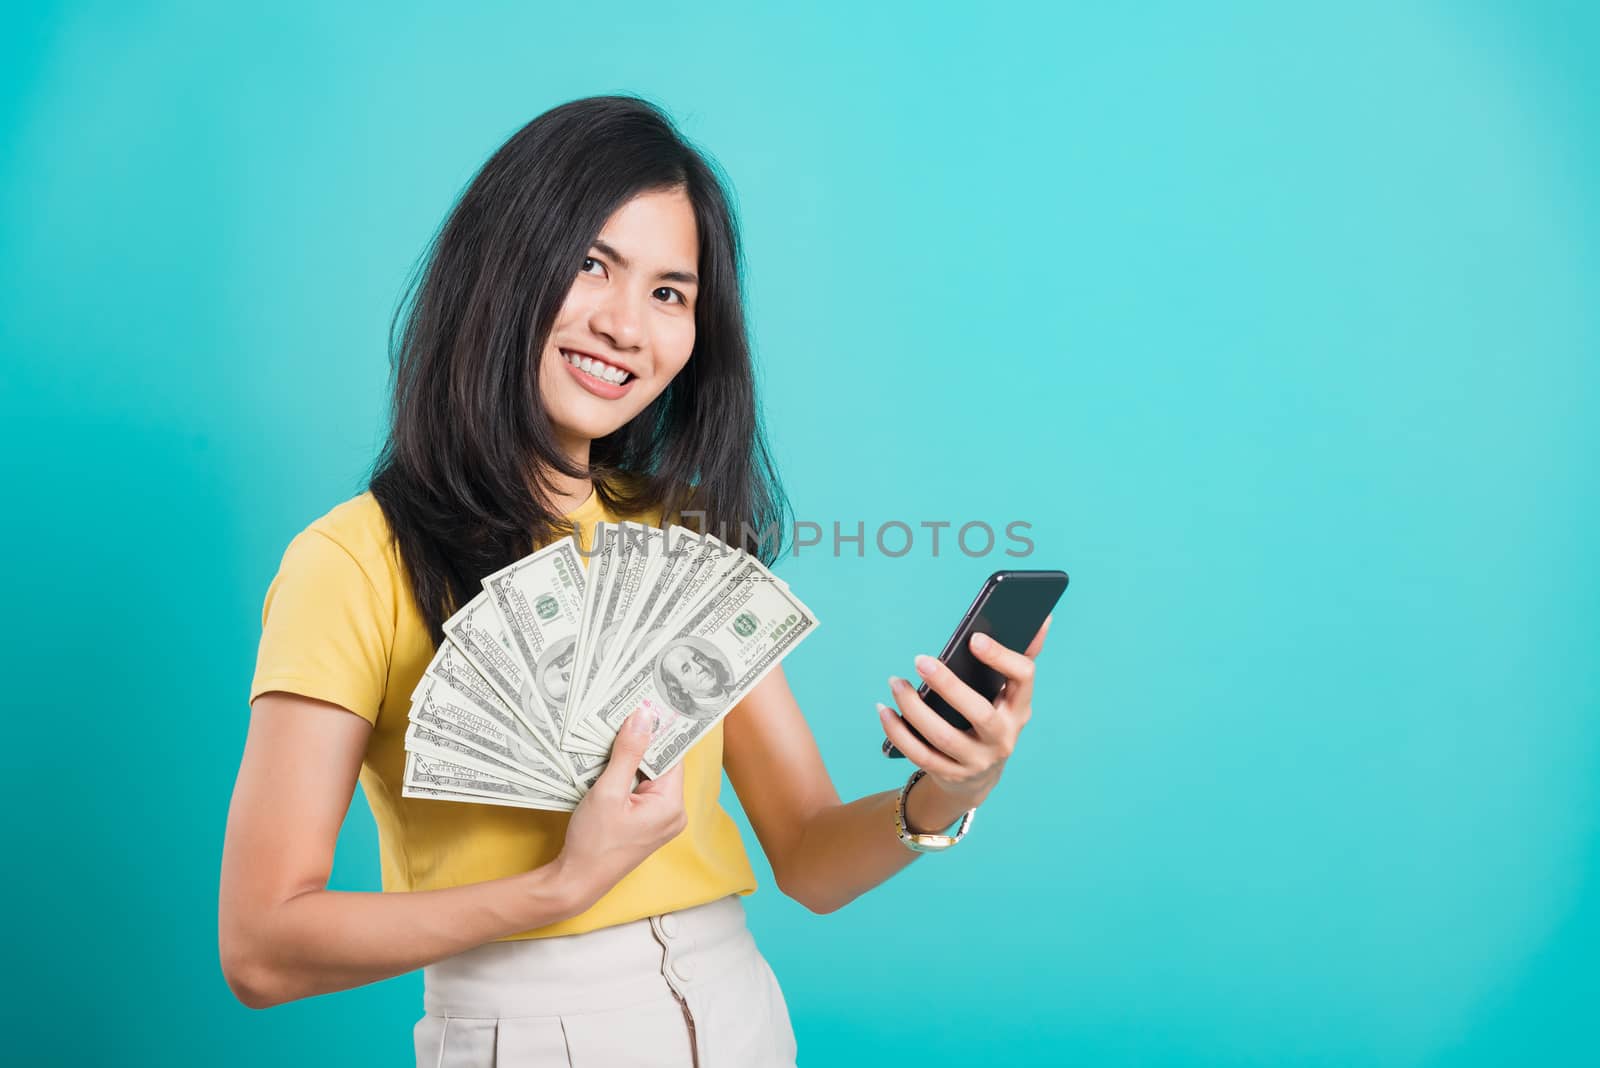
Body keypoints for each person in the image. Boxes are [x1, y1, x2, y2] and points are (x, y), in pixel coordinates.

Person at [218, 94, 1052, 1067]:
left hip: (738, 1014)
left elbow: (813, 860)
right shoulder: (352, 562)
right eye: (589, 266)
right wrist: (558, 887)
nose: (625, 325)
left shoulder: (681, 534)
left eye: (670, 293)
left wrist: (951, 789)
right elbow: (261, 951)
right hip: (527, 1030)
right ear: (501, 269)